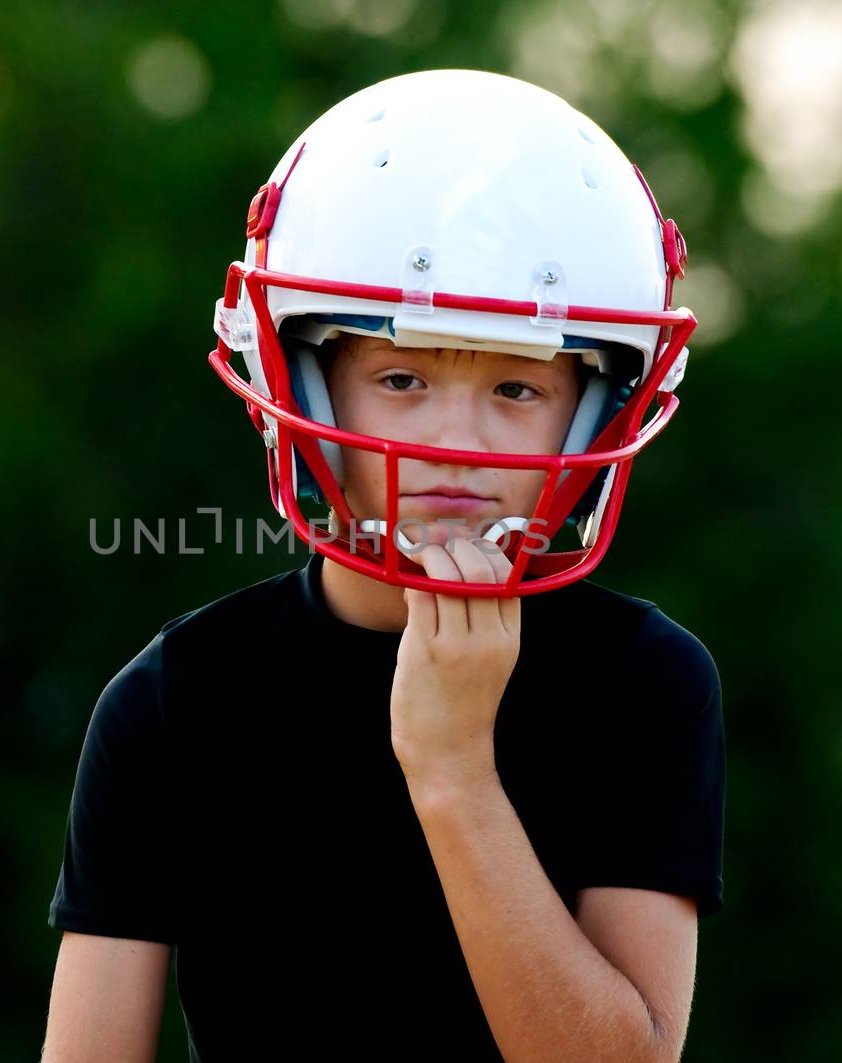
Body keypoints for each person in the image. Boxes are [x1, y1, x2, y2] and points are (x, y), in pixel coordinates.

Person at [41, 69, 723, 1062]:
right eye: (400, 378)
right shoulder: (176, 697)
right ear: (307, 388)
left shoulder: (642, 682)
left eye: (519, 388)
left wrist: (452, 771)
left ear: (594, 406)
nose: (457, 439)